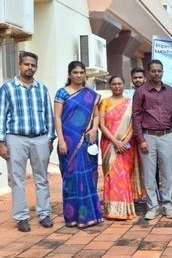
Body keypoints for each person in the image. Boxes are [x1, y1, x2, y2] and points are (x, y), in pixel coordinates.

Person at [0, 51, 55, 232]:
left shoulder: (42, 89)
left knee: (42, 178)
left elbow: (49, 115)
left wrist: (49, 138)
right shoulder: (7, 88)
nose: (29, 67)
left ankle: (44, 214)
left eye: (33, 65)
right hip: (15, 138)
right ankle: (21, 217)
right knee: (17, 179)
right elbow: (1, 116)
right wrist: (1, 142)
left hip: (40, 139)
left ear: (36, 68)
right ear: (19, 65)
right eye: (26, 64)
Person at [54, 61, 104, 228]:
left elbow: (96, 115)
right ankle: (73, 216)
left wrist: (94, 129)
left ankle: (91, 215)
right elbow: (57, 118)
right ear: (69, 74)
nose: (79, 75)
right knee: (71, 179)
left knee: (88, 176)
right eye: (75, 72)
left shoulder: (90, 94)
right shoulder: (62, 93)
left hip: (87, 140)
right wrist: (60, 139)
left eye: (81, 72)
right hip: (68, 141)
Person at [132, 59, 172, 220]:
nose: (156, 73)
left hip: (166, 136)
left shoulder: (170, 91)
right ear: (148, 72)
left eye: (159, 71)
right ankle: (152, 207)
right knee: (150, 174)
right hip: (148, 137)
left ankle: (167, 206)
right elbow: (136, 117)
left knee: (167, 174)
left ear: (163, 72)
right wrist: (141, 140)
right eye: (153, 71)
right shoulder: (141, 92)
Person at [99, 75, 140, 220]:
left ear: (124, 85)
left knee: (124, 175)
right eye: (114, 84)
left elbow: (134, 124)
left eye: (119, 84)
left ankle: (125, 209)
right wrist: (115, 141)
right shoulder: (104, 102)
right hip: (109, 144)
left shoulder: (130, 103)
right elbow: (101, 125)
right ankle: (111, 210)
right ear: (110, 86)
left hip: (126, 145)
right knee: (111, 175)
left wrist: (125, 141)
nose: (117, 86)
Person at [128, 68, 147, 202]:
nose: (138, 80)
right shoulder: (127, 95)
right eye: (135, 78)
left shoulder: (148, 92)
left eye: (140, 77)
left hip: (145, 133)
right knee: (131, 164)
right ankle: (135, 193)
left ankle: (150, 192)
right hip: (129, 135)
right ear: (131, 79)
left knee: (147, 165)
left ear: (144, 78)